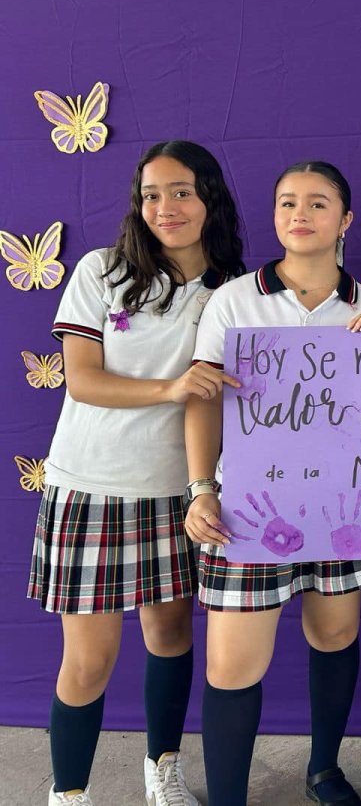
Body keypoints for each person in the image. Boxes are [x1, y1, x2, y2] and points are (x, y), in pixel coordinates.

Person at [28, 140, 245, 806]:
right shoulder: (103, 270)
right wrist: (171, 388)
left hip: (178, 492)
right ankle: (69, 793)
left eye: (181, 192)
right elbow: (83, 380)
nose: (165, 207)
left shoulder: (233, 290)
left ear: (209, 199)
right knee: (88, 661)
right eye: (151, 195)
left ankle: (163, 769)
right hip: (90, 486)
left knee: (172, 638)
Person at [184, 161, 361, 806]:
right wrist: (201, 487)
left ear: (345, 219)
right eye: (286, 202)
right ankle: (228, 797)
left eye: (317, 203)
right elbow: (203, 399)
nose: (300, 214)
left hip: (341, 505)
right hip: (248, 505)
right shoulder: (233, 300)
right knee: (231, 664)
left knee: (334, 635)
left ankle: (324, 769)